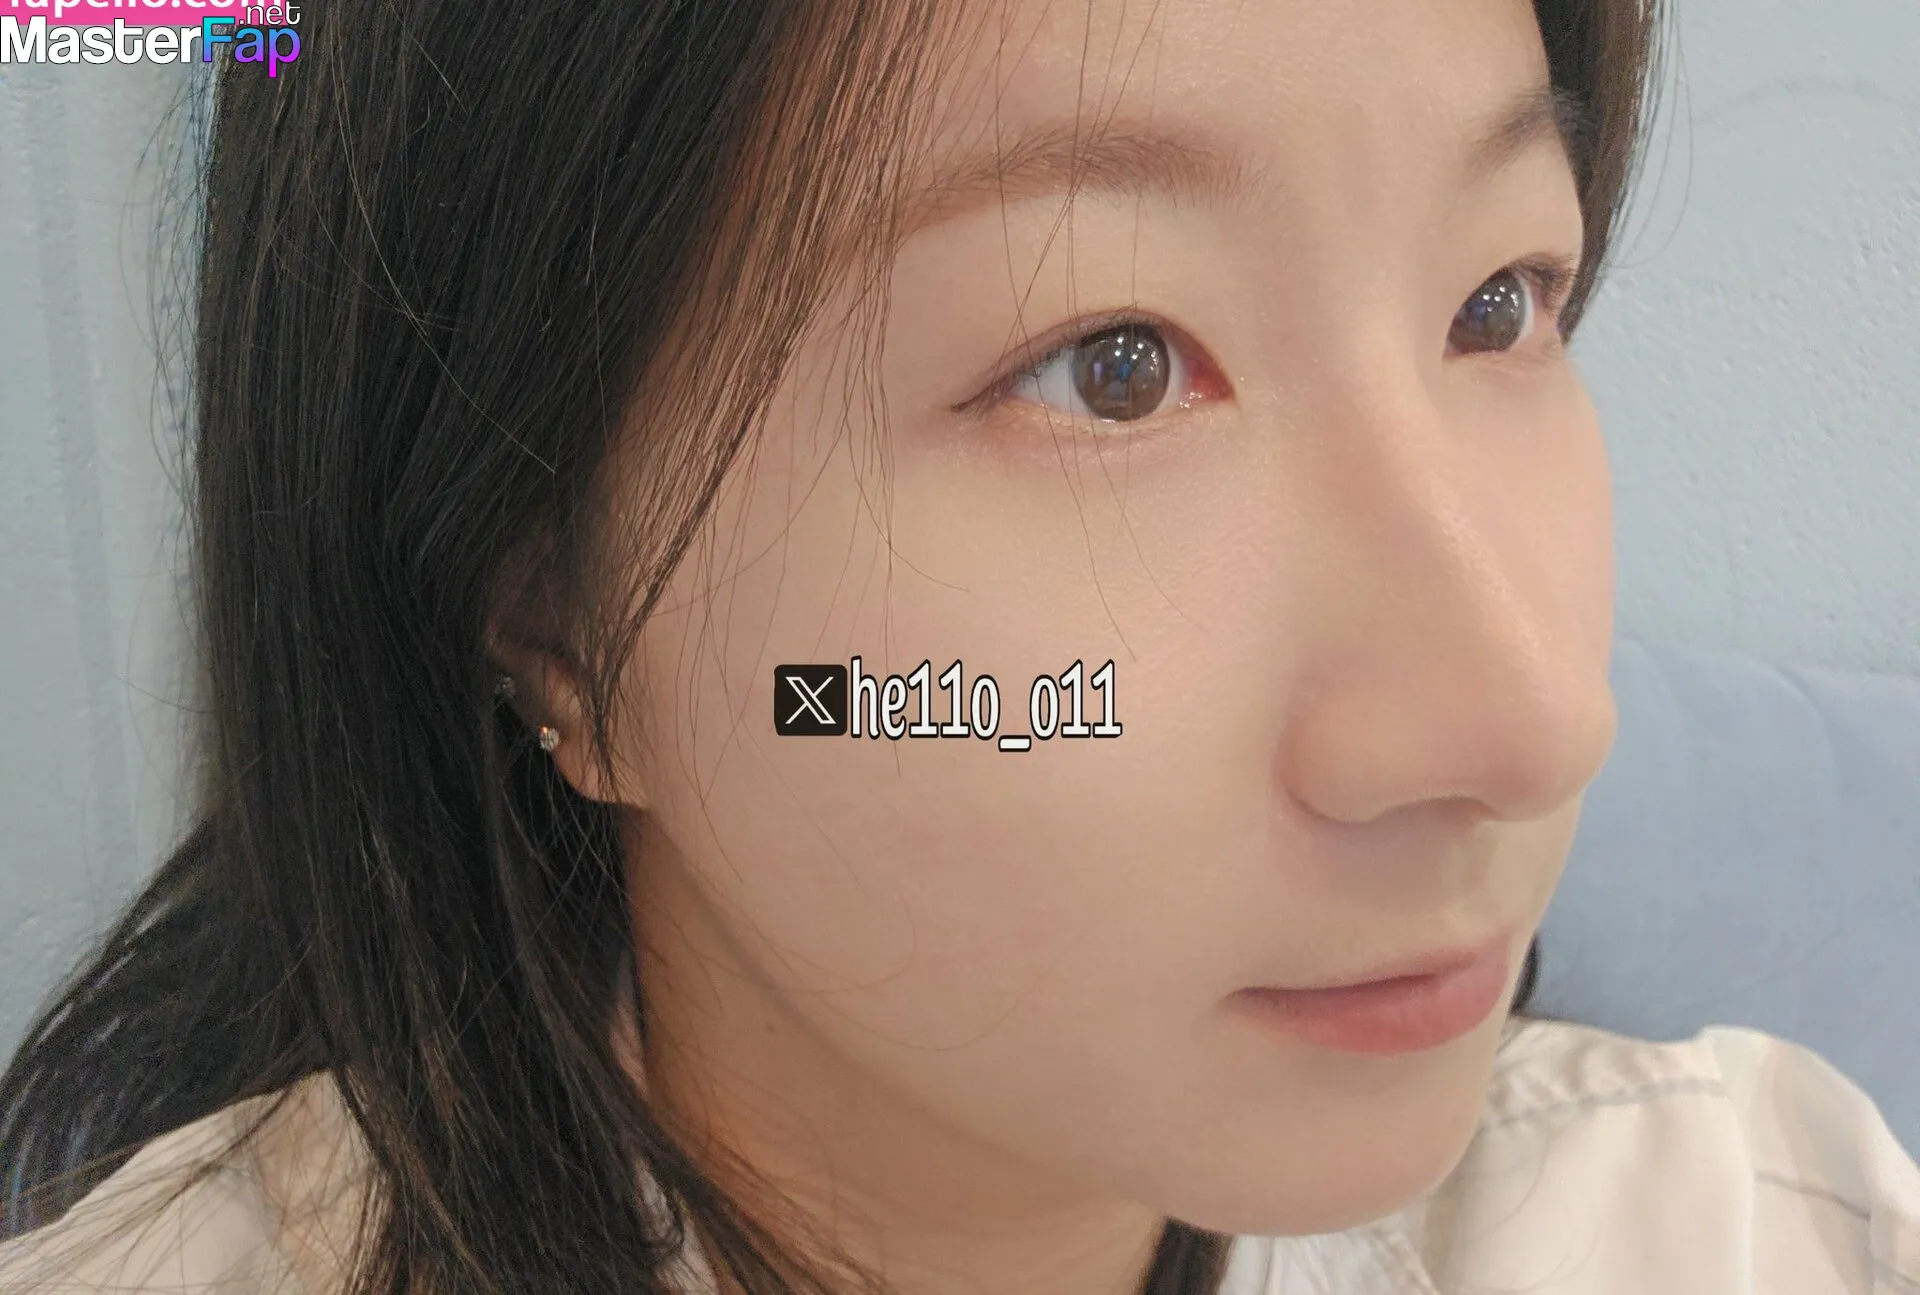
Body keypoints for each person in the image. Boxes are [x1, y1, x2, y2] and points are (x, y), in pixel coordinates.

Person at [2, 0, 1916, 1291]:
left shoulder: (1768, 1228)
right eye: (1114, 363)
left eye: (1498, 301)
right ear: (554, 619)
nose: (1531, 716)